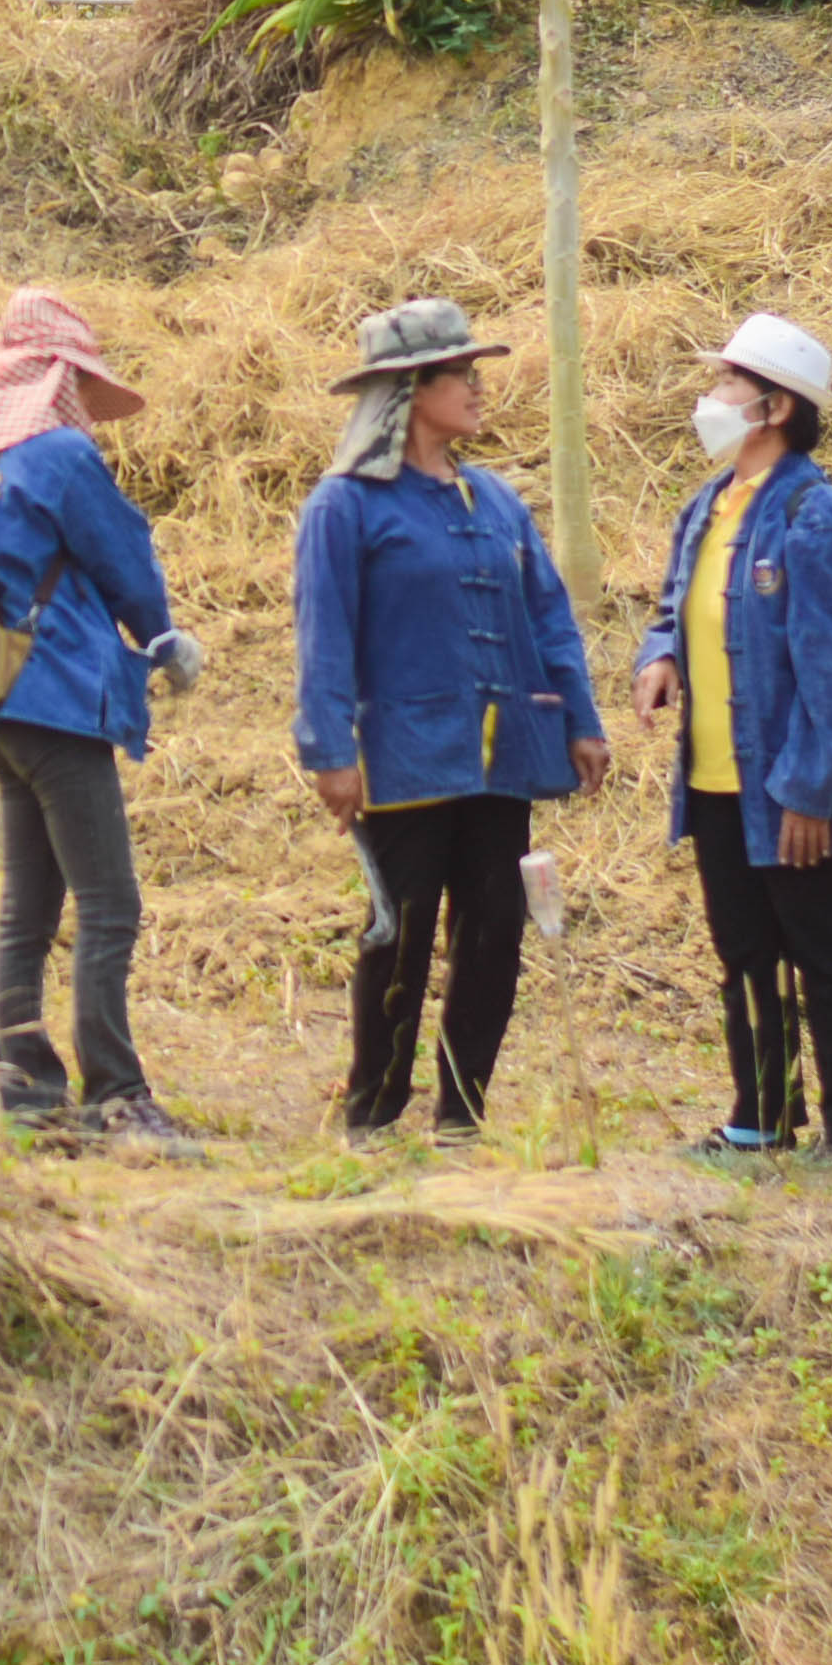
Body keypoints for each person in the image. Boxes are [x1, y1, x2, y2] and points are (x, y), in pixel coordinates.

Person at [289, 299, 607, 1145]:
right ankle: (374, 1109)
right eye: (460, 374)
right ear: (408, 389)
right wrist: (328, 751)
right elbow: (325, 636)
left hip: (503, 755)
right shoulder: (345, 506)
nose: (476, 387)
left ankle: (461, 1112)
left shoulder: (496, 501)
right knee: (399, 934)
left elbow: (549, 618)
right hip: (400, 757)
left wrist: (581, 719)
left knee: (495, 927)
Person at [0, 289, 200, 1152]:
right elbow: (122, 556)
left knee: (27, 907)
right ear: (62, 375)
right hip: (60, 697)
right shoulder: (60, 452)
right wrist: (161, 638)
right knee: (110, 902)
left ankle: (25, 1093)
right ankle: (119, 1096)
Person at [626, 315, 832, 1161]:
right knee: (746, 950)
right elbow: (678, 605)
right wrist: (661, 653)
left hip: (788, 779)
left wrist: (813, 782)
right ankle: (760, 1116)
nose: (708, 400)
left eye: (725, 386)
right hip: (716, 776)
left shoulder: (814, 514)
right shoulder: (708, 507)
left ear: (775, 406)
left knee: (823, 950)